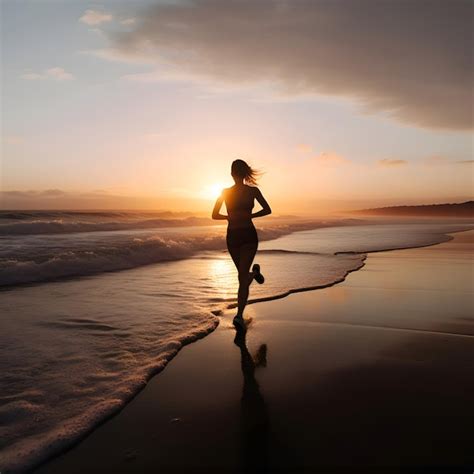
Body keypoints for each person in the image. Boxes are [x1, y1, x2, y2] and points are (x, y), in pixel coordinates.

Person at [212, 159, 272, 327]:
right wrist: (242, 216)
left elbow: (268, 209)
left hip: (246, 237)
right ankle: (255, 274)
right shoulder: (228, 192)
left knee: (241, 277)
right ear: (245, 173)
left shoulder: (251, 191)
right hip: (233, 238)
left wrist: (239, 217)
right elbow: (214, 214)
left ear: (232, 174)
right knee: (243, 276)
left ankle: (238, 315)